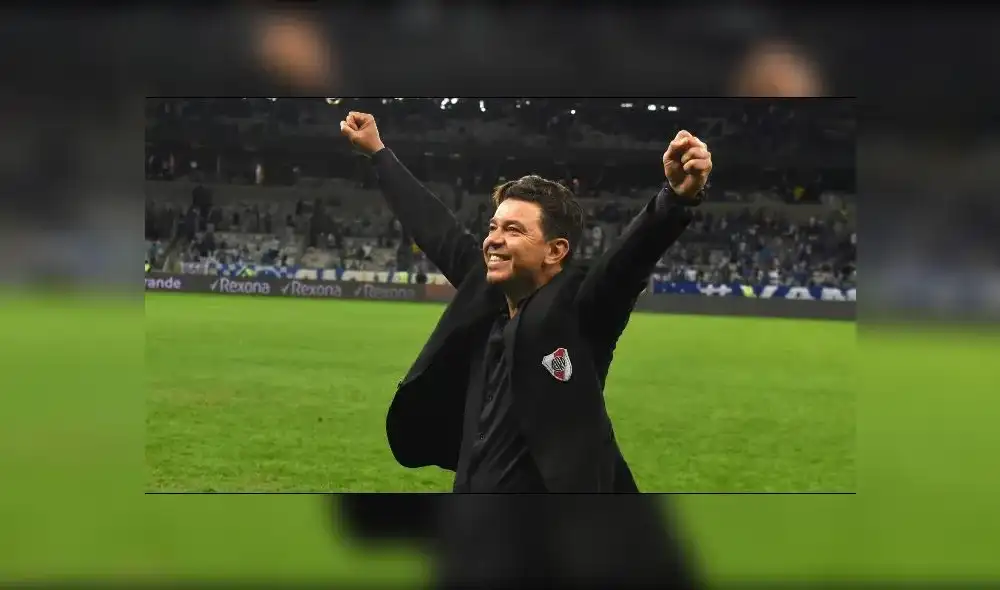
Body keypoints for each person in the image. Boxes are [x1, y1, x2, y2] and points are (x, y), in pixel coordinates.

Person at [340, 111, 712, 493]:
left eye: (513, 230)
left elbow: (627, 262)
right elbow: (436, 227)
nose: (493, 239)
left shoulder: (581, 309)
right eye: (493, 227)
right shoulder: (487, 296)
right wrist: (378, 152)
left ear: (555, 250)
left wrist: (675, 198)